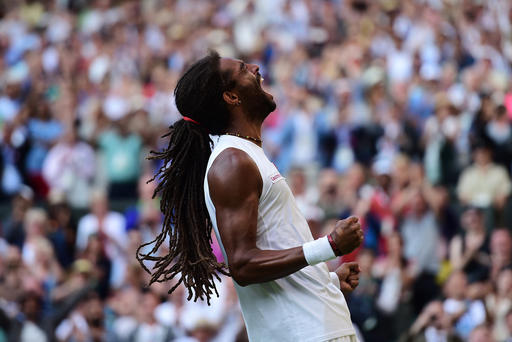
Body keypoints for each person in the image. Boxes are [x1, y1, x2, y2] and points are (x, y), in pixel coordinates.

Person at [137, 51, 364, 341]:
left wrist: (326, 280)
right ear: (232, 97)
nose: (256, 68)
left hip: (315, 326)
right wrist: (329, 245)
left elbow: (271, 249)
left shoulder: (245, 155)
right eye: (244, 69)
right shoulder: (233, 161)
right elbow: (243, 264)